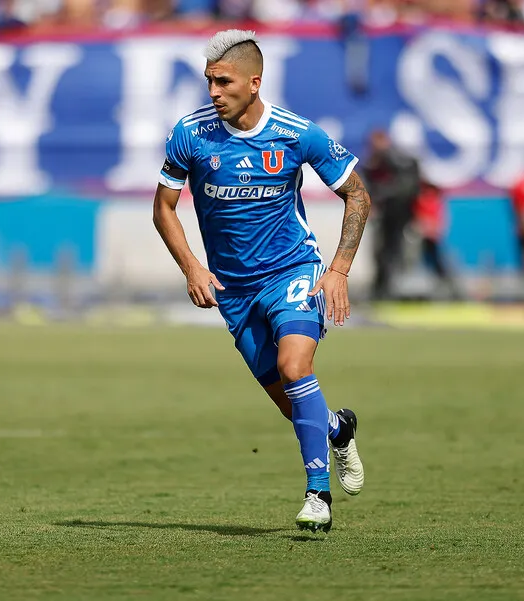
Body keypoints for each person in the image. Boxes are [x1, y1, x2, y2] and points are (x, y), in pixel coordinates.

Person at [152, 29, 369, 533]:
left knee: (296, 368)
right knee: (292, 402)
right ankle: (337, 429)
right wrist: (192, 268)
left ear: (254, 82)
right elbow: (164, 209)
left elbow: (357, 195)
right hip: (234, 290)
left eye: (223, 82)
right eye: (209, 81)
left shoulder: (297, 133)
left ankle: (318, 495)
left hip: (294, 272)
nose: (213, 91)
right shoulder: (189, 133)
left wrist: (337, 270)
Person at [361, 128, 420, 300]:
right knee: (381, 252)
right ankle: (382, 290)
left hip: (400, 215)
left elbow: (407, 187)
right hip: (386, 216)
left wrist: (380, 196)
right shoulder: (374, 162)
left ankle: (393, 290)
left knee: (398, 252)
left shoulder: (397, 160)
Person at [413, 179, 461, 300]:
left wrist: (433, 230)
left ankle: (446, 286)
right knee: (430, 262)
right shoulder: (426, 199)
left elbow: (434, 220)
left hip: (431, 237)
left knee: (437, 263)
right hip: (426, 236)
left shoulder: (430, 200)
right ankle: (439, 286)